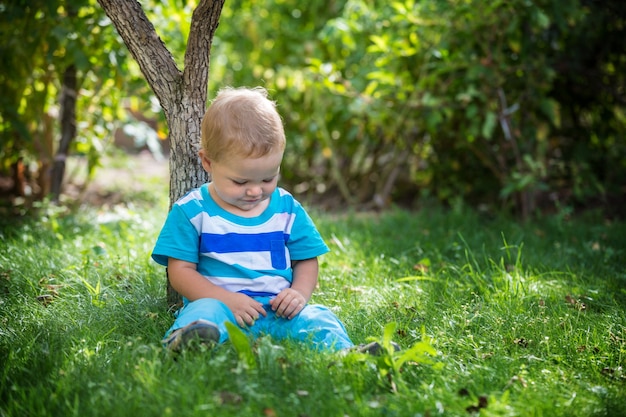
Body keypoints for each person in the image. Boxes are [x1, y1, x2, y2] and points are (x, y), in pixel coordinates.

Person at [151, 86, 355, 353]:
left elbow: (306, 258)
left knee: (318, 317)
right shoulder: (192, 211)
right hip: (221, 307)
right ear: (208, 162)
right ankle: (189, 340)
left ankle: (348, 354)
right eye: (241, 181)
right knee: (203, 312)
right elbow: (180, 272)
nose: (256, 191)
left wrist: (298, 294)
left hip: (278, 310)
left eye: (268, 178)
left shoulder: (286, 208)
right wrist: (227, 300)